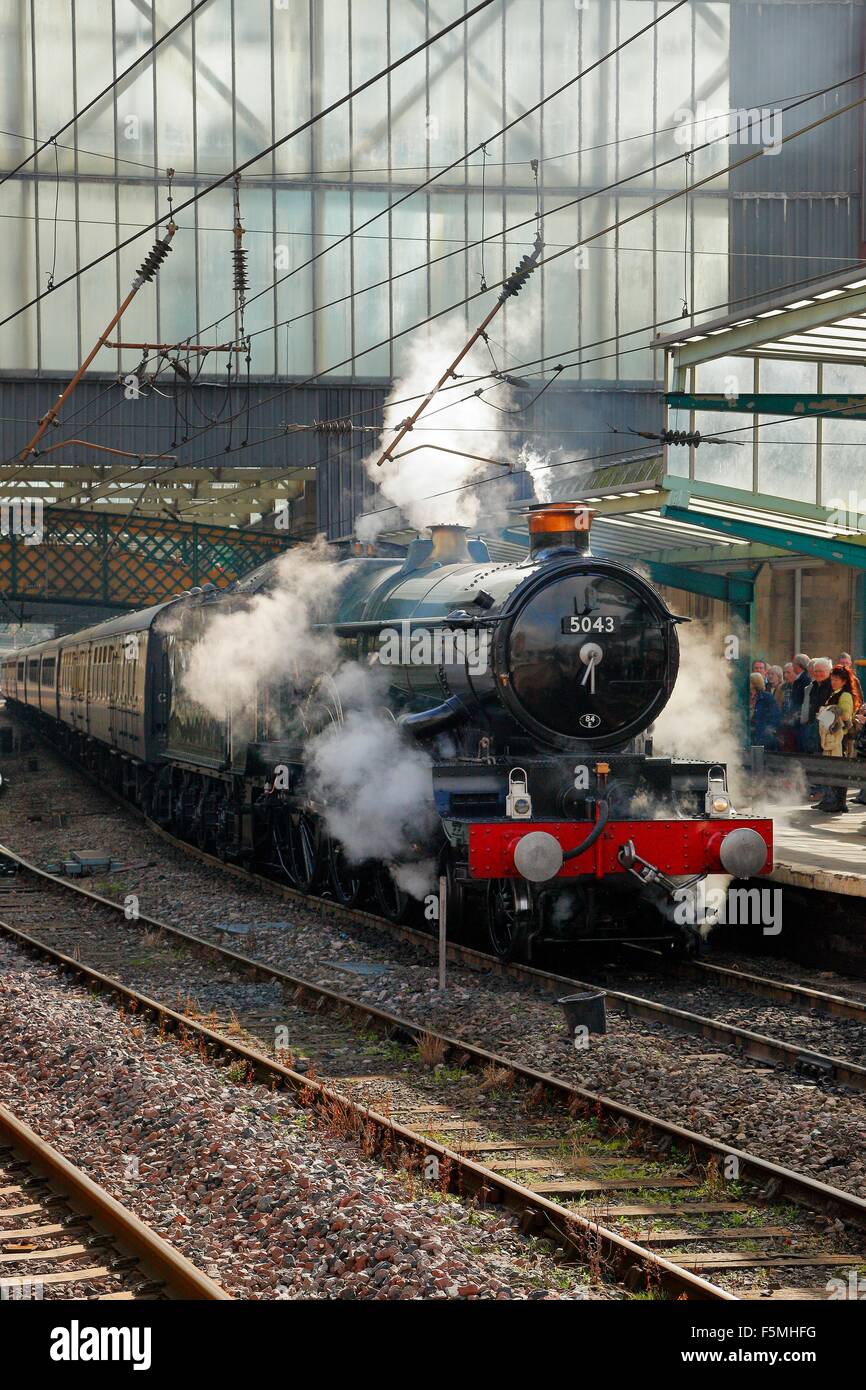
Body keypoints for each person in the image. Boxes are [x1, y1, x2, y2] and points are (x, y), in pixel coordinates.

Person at [815, 665, 854, 812]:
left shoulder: (845, 695)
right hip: (832, 737)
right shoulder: (834, 694)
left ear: (844, 681)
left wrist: (829, 712)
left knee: (838, 770)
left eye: (836, 679)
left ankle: (838, 803)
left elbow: (845, 715)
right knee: (830, 769)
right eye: (832, 679)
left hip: (840, 738)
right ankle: (829, 800)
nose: (833, 682)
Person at [800, 658, 832, 756]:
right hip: (811, 726)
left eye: (821, 671)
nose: (818, 674)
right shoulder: (812, 687)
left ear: (829, 671)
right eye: (816, 671)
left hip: (826, 728)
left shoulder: (832, 686)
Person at [750, 672, 781, 749]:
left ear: (755, 683)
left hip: (763, 735)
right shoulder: (745, 696)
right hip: (749, 734)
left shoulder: (767, 697)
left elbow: (775, 715)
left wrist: (768, 730)